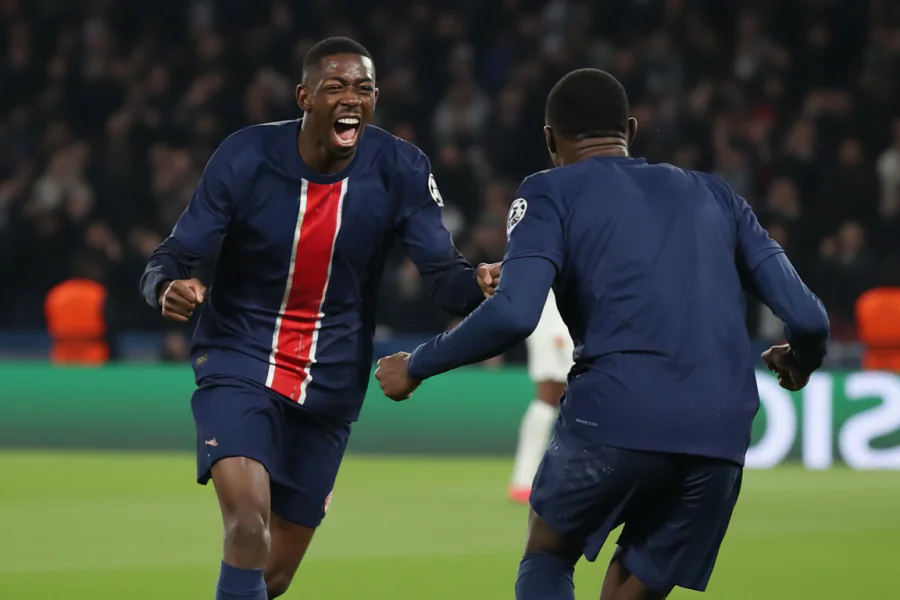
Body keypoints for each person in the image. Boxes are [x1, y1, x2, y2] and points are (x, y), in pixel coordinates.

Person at [374, 68, 830, 600]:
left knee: (548, 552)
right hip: (720, 429)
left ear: (549, 140)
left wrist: (417, 365)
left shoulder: (548, 191)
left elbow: (515, 313)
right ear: (631, 130)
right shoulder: (717, 195)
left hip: (616, 410)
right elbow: (810, 318)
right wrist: (802, 358)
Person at [139, 37, 499, 600]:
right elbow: (173, 255)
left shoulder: (401, 167)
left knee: (272, 577)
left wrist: (477, 283)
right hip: (239, 357)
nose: (350, 98)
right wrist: (165, 287)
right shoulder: (245, 156)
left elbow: (444, 280)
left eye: (363, 88)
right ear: (305, 96)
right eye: (335, 86)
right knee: (246, 523)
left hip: (331, 382)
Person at [509, 289, 573, 504]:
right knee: (550, 397)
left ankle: (524, 480)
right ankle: (524, 480)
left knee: (555, 399)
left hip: (557, 320)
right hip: (558, 323)